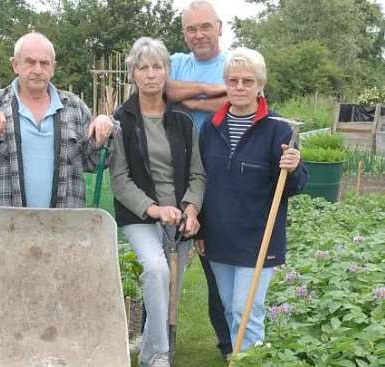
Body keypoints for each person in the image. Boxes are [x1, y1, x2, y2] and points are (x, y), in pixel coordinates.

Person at [196, 47, 308, 352]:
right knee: (231, 310)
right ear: (226, 84)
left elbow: (295, 185)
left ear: (260, 85)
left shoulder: (279, 130)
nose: (240, 87)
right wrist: (202, 230)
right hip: (219, 238)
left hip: (259, 238)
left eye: (248, 81)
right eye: (234, 81)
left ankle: (249, 359)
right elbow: (202, 182)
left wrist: (294, 168)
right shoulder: (211, 128)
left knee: (249, 313)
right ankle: (241, 356)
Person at [109, 37, 206, 367]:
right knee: (155, 270)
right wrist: (154, 209)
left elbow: (197, 175)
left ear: (166, 71)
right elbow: (120, 180)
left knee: (168, 292)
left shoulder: (183, 120)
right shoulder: (121, 120)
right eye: (143, 67)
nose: (150, 74)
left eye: (157, 66)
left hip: (177, 220)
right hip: (140, 216)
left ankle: (149, 353)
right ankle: (161, 356)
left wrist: (191, 209)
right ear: (133, 74)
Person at [0, 32, 114, 208]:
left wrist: (103, 131)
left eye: (44, 63)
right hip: (6, 226)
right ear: (15, 64)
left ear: (53, 67)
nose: (37, 70)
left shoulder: (74, 106)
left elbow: (93, 163)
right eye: (30, 62)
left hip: (64, 225)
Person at [166, 0, 232, 359]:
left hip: (221, 179)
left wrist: (186, 97)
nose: (198, 35)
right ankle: (159, 343)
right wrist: (208, 93)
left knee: (217, 267)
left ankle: (228, 345)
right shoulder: (174, 61)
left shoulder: (234, 64)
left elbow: (236, 102)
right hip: (176, 178)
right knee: (164, 266)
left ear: (219, 27)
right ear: (184, 33)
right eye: (191, 29)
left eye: (205, 26)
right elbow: (165, 91)